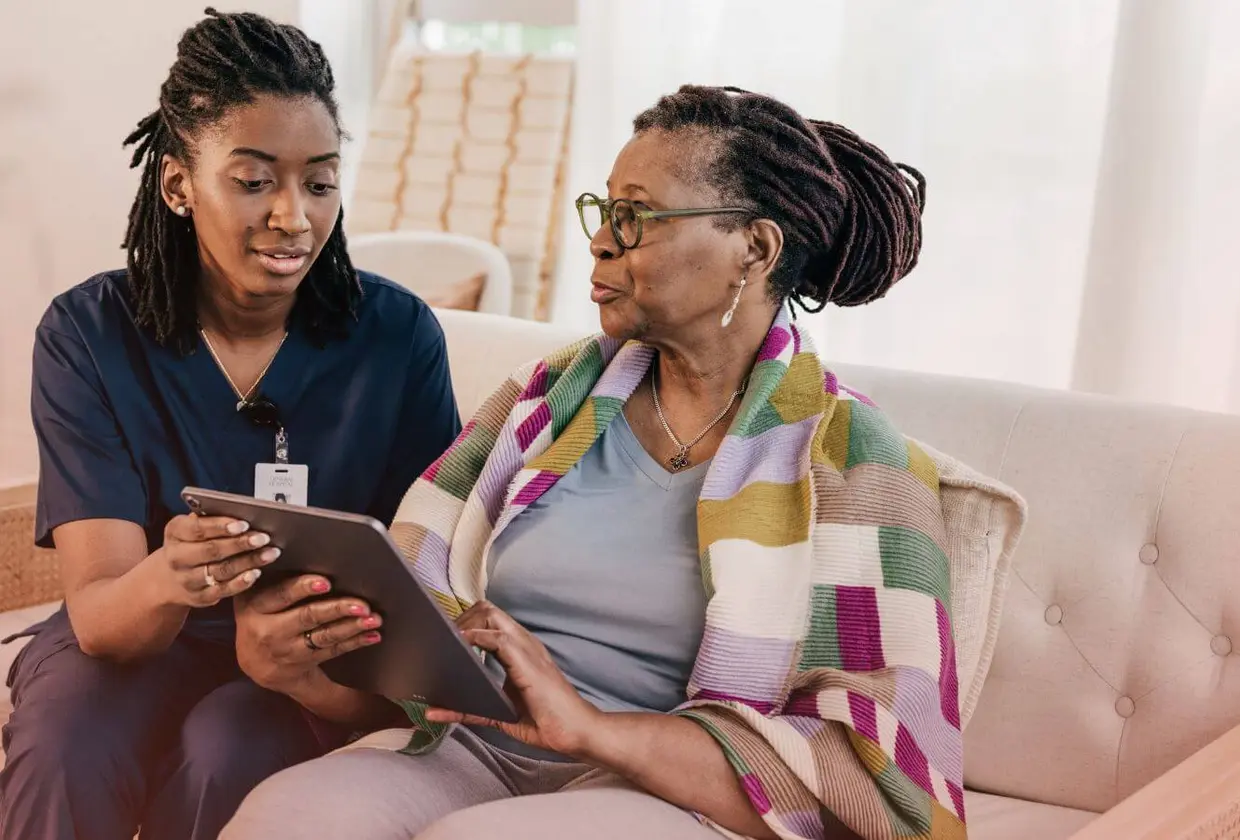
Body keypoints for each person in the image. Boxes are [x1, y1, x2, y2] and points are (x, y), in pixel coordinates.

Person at [224, 85, 966, 840]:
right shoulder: (545, 400)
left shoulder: (856, 461)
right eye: (604, 211)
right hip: (476, 743)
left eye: (636, 216)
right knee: (283, 817)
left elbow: (875, 779)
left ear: (756, 247)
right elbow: (422, 673)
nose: (603, 241)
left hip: (674, 791)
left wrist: (589, 728)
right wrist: (305, 675)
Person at [0, 9, 460, 840]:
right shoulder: (89, 334)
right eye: (253, 181)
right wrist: (174, 574)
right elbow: (103, 621)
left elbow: (426, 599)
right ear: (178, 185)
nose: (294, 216)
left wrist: (311, 665)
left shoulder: (397, 339)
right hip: (142, 627)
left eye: (319, 183)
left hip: (304, 661)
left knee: (230, 750)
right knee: (67, 742)